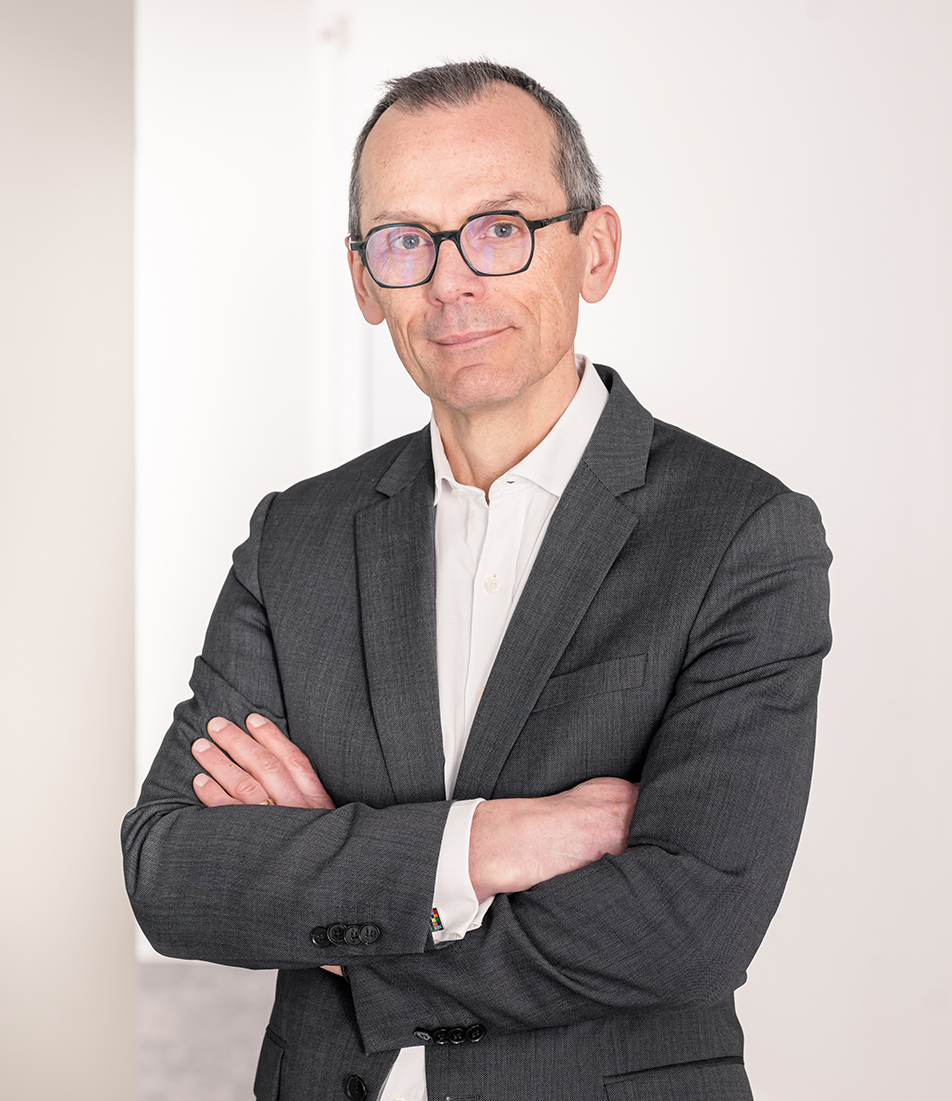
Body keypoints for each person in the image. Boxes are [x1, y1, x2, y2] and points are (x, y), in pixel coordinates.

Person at [122, 60, 831, 1101]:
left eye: (500, 228)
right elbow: (172, 872)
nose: (450, 281)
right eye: (404, 240)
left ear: (594, 250)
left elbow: (687, 925)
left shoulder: (739, 534)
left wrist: (344, 903)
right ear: (364, 282)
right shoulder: (296, 537)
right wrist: (486, 844)